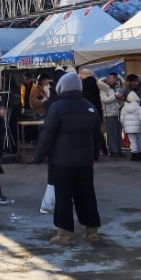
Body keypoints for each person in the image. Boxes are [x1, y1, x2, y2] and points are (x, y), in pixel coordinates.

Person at [33, 72, 102, 246]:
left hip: (62, 161)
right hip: (85, 162)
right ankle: (91, 232)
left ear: (61, 87)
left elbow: (47, 135)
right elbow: (97, 136)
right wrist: (94, 157)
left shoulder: (57, 107)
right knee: (86, 195)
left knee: (63, 196)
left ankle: (64, 235)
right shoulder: (89, 106)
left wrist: (38, 157)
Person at [79, 69, 105, 158]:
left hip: (88, 111)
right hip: (96, 110)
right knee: (97, 131)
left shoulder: (85, 84)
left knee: (91, 133)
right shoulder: (95, 82)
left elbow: (86, 97)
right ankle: (103, 149)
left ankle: (94, 153)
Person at [99, 78, 124, 158]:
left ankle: (119, 150)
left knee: (118, 133)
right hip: (109, 113)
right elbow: (104, 100)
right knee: (111, 133)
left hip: (118, 113)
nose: (113, 80)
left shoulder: (117, 87)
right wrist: (115, 96)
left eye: (114, 78)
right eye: (111, 78)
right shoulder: (104, 89)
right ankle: (113, 151)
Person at [120, 91, 141, 161]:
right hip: (138, 127)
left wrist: (124, 127)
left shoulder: (124, 108)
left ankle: (134, 155)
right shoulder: (139, 107)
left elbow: (121, 119)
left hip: (128, 128)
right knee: (140, 140)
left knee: (132, 141)